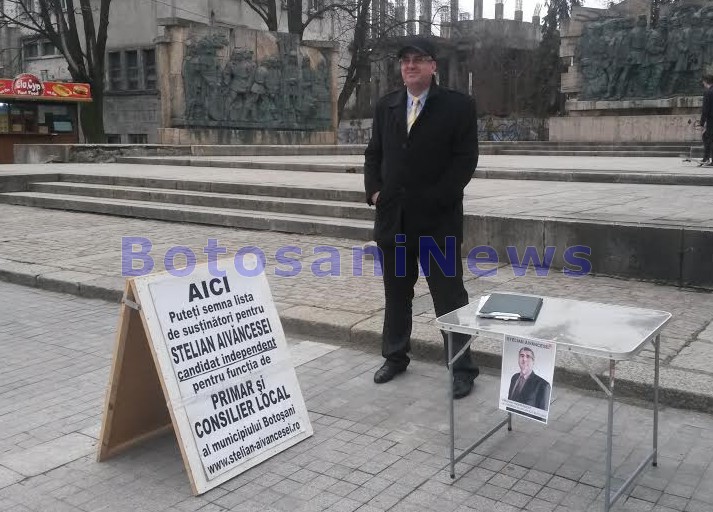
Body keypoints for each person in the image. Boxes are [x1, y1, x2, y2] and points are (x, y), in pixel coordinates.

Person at [363, 37, 479, 399]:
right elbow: (373, 155)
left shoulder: (458, 106)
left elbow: (465, 161)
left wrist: (436, 200)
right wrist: (375, 192)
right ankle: (395, 356)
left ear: (434, 66)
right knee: (397, 293)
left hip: (437, 222)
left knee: (449, 296)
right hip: (393, 220)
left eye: (418, 60)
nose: (410, 66)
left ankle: (462, 367)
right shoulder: (388, 106)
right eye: (405, 61)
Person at [699, 75, 713, 167]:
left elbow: (705, 109)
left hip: (711, 119)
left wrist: (701, 122)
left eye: (703, 82)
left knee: (707, 137)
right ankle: (706, 158)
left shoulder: (708, 92)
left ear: (705, 82)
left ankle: (706, 158)